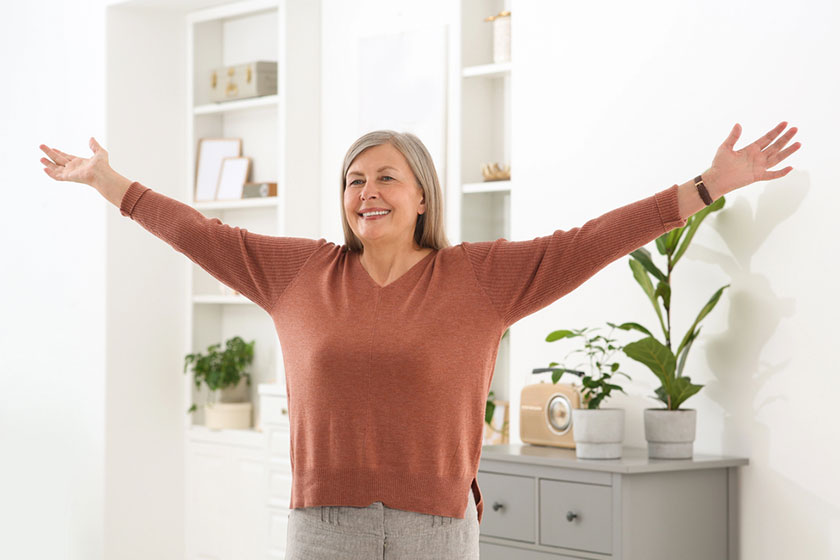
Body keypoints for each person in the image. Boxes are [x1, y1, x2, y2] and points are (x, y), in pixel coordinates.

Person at [39, 123, 800, 559]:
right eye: (353, 180)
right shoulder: (298, 273)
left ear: (422, 195)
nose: (366, 192)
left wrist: (703, 188)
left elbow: (592, 241)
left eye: (385, 178)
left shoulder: (484, 278)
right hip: (323, 524)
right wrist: (109, 182)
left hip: (438, 527)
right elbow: (198, 233)